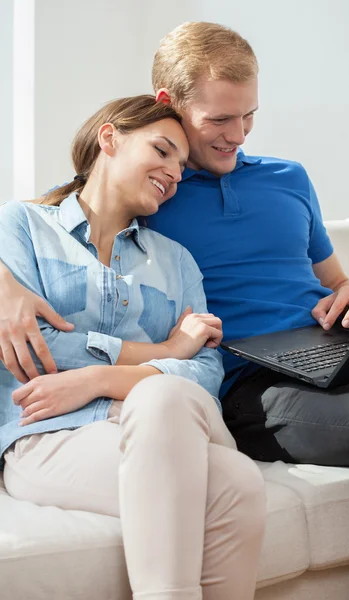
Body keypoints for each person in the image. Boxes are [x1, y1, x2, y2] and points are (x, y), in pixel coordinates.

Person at [1, 18, 349, 596]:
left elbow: (332, 280)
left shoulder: (271, 190)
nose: (238, 135)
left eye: (249, 117)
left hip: (333, 349)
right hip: (249, 383)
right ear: (164, 108)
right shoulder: (147, 199)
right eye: (219, 120)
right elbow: (62, 220)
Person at [0, 94, 266, 600]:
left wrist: (99, 377)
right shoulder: (22, 226)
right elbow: (36, 349)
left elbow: (206, 372)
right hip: (48, 436)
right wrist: (165, 349)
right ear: (110, 137)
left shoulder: (178, 261)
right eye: (162, 150)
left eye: (181, 165)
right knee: (237, 484)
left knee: (169, 401)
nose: (173, 173)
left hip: (160, 425)